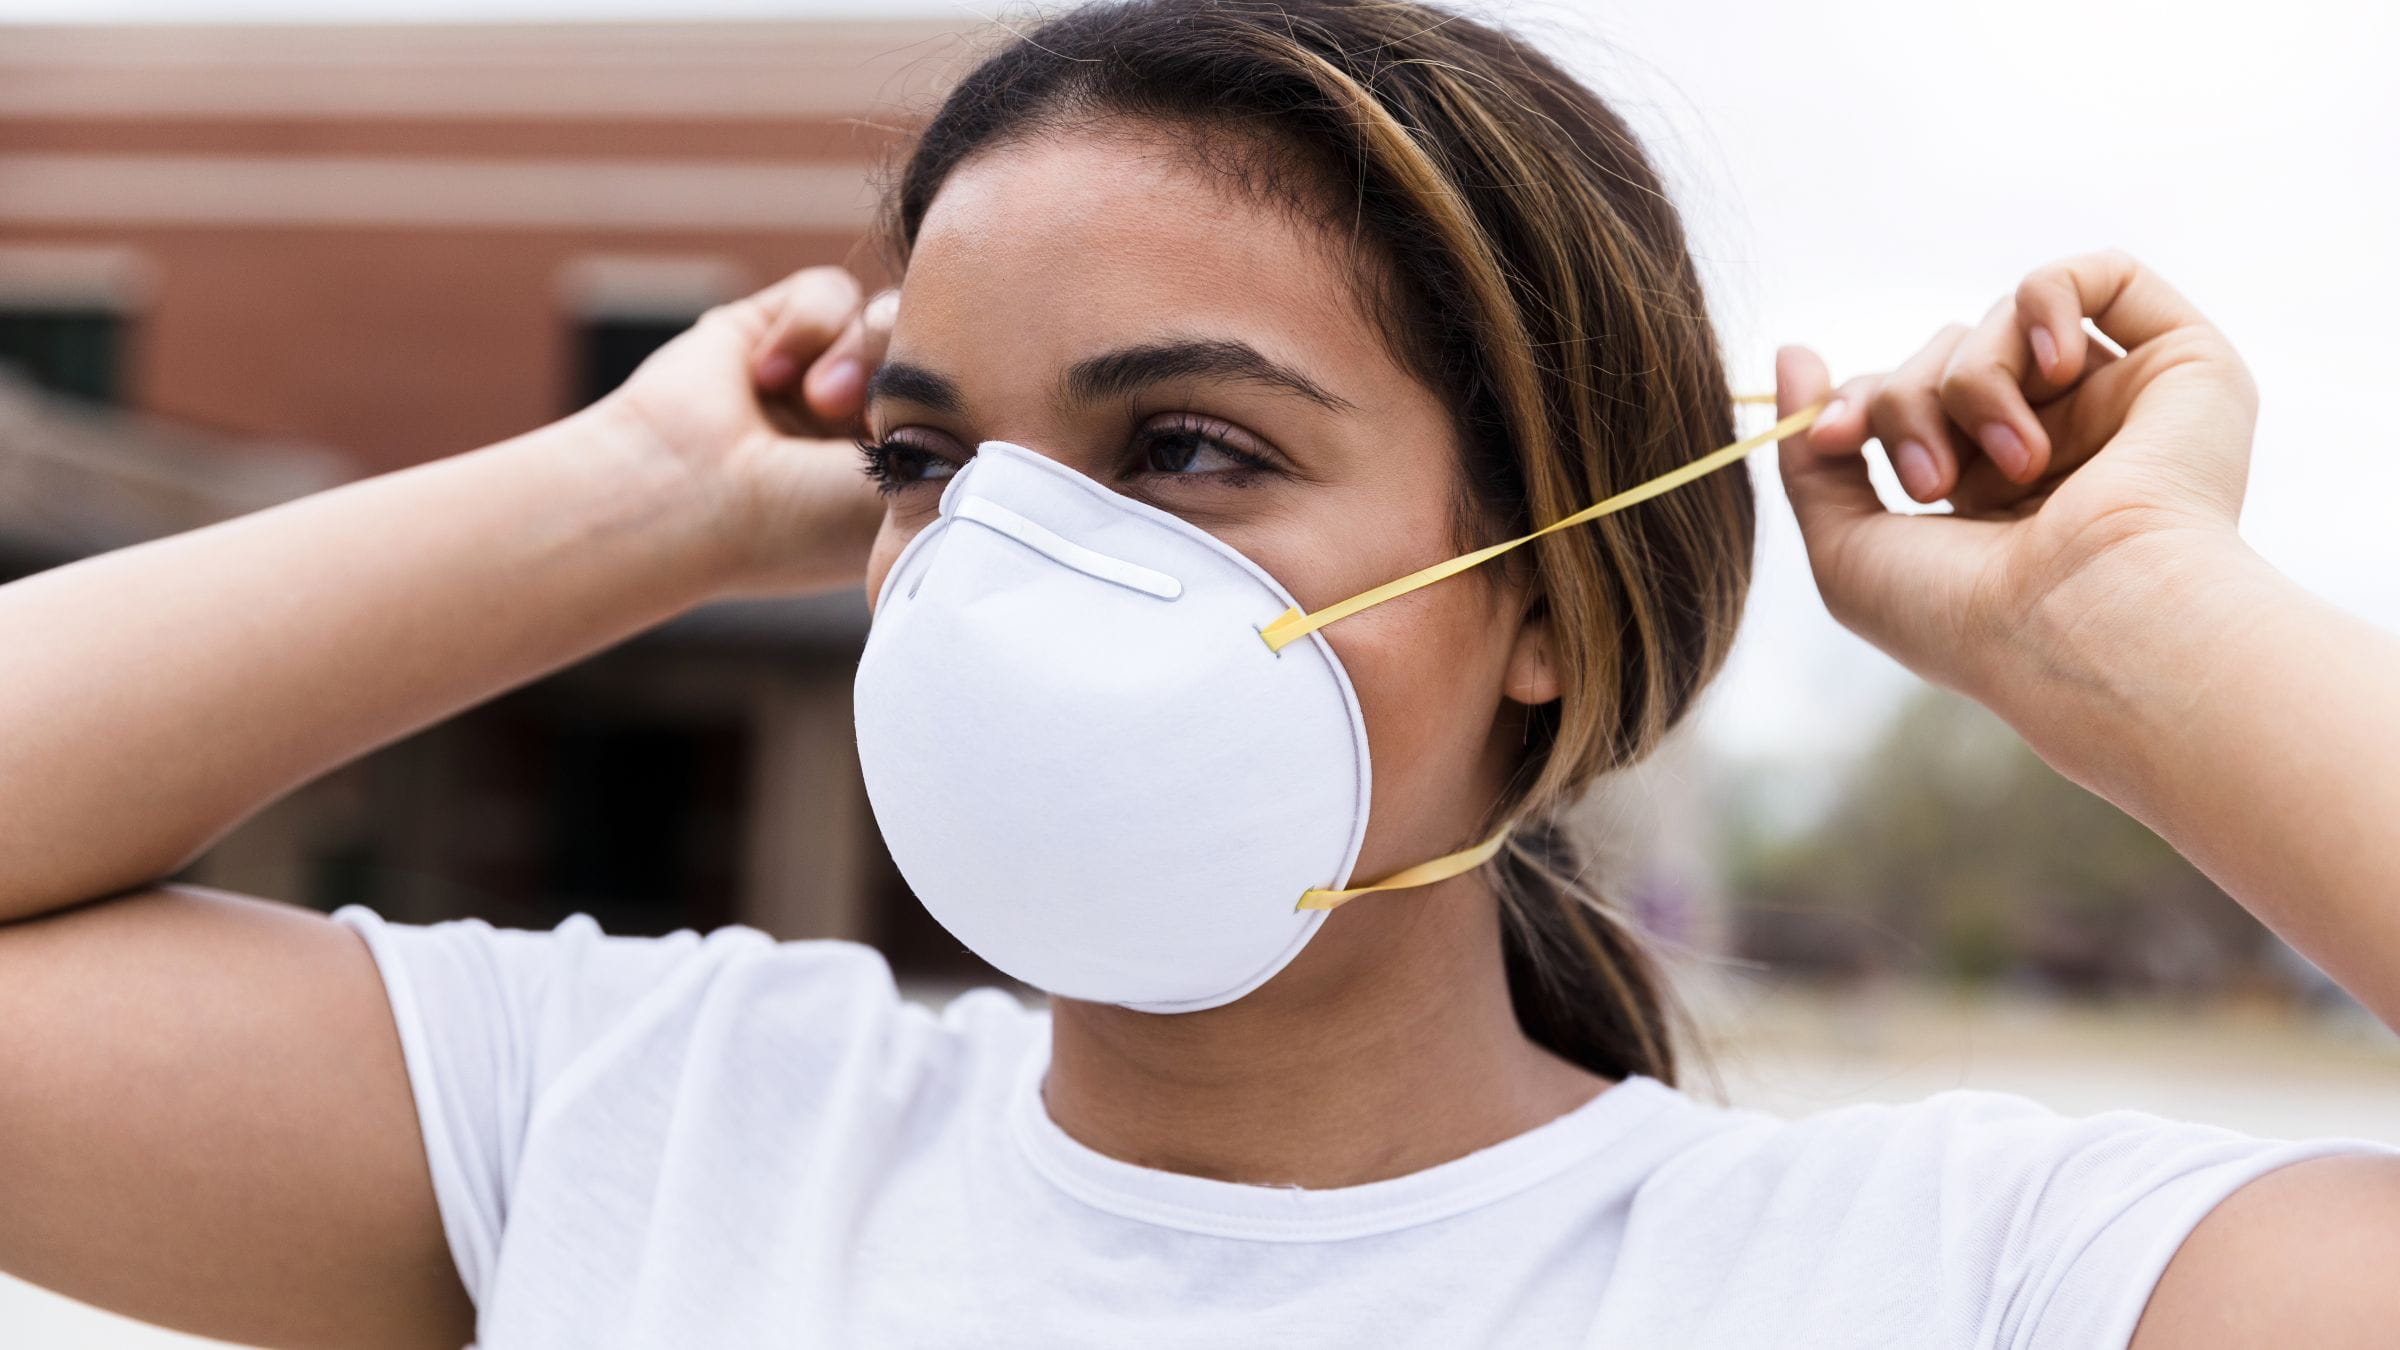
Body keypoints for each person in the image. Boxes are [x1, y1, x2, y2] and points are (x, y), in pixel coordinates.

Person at [2, 0, 2396, 1345]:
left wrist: (2136, 629)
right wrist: (630, 497)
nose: (1011, 562)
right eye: (935, 456)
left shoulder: (1945, 1285)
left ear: (1553, 585)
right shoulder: (634, 1128)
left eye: (1187, 447)